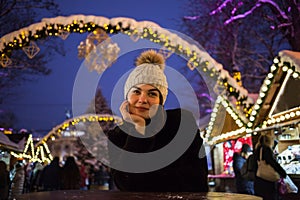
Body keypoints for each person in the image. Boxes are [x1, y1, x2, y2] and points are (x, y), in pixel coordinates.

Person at [107, 49, 208, 192]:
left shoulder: (182, 124)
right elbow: (125, 183)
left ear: (161, 101)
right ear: (126, 97)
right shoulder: (117, 136)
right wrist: (139, 130)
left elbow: (196, 181)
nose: (142, 99)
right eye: (136, 91)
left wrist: (145, 176)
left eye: (152, 93)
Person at [253, 134, 286, 200]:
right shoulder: (266, 149)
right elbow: (273, 163)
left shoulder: (257, 149)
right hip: (267, 181)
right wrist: (283, 173)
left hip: (258, 179)